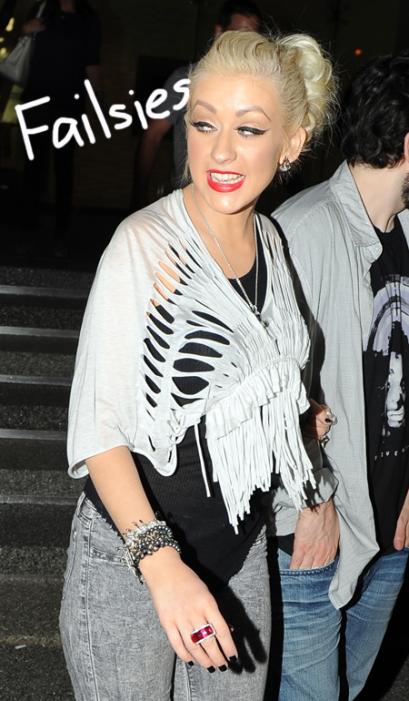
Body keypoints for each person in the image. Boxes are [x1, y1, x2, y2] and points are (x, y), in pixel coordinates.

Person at [59, 29, 334, 701]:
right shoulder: (145, 245)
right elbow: (99, 429)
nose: (220, 151)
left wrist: (298, 423)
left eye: (249, 129)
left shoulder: (272, 241)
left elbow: (255, 378)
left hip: (237, 549)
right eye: (204, 123)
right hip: (132, 558)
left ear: (291, 143)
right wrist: (161, 564)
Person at [271, 52, 409, 700]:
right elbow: (265, 389)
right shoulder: (300, 231)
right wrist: (313, 500)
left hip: (391, 531)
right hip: (316, 533)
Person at [130, 0, 264, 209]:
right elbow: (152, 136)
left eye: (252, 38)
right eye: (238, 35)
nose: (244, 45)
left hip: (235, 204)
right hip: (189, 204)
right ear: (219, 33)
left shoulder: (258, 88)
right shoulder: (186, 81)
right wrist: (139, 195)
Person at [18, 0, 101, 255]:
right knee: (33, 168)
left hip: (69, 105)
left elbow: (92, 62)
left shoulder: (88, 19)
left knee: (64, 169)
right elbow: (18, 46)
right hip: (35, 101)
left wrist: (97, 101)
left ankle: (60, 235)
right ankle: (28, 233)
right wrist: (24, 30)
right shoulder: (42, 9)